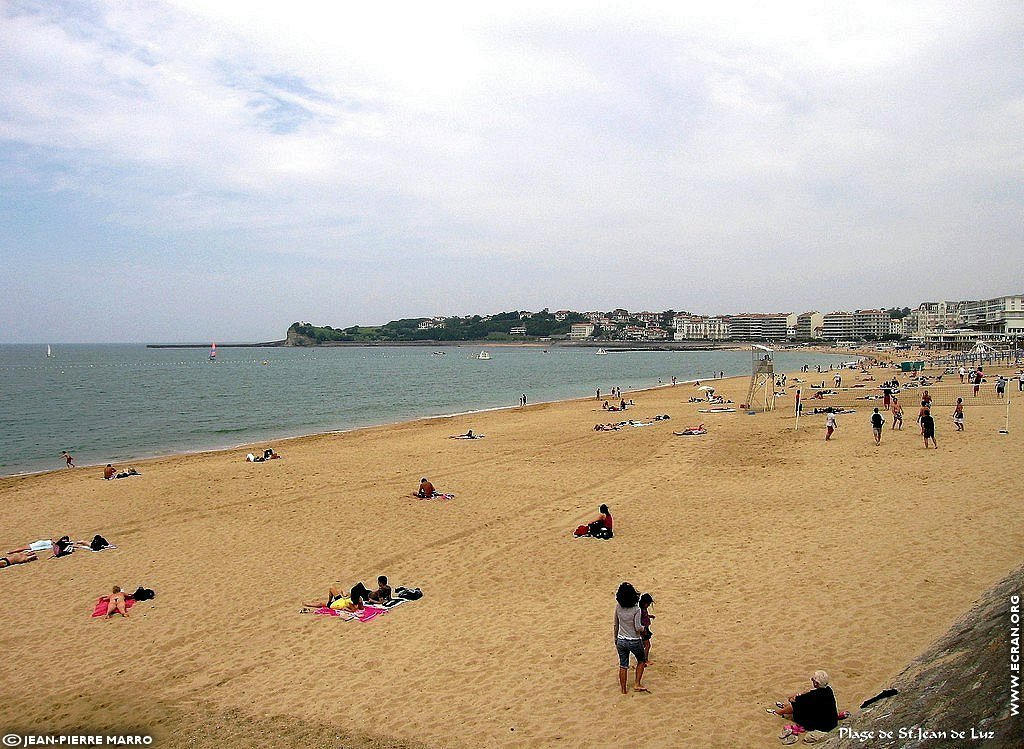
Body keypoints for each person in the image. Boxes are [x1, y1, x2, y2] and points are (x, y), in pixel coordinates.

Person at [768, 670, 839, 732]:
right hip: (831, 722)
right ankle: (784, 706)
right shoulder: (828, 690)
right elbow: (808, 695)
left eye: (812, 679)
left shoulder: (813, 696)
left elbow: (795, 700)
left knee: (796, 705)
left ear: (816, 683)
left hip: (821, 726)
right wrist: (800, 695)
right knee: (802, 702)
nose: (811, 680)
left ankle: (779, 712)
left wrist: (792, 697)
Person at [613, 582, 648, 694]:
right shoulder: (636, 609)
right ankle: (637, 683)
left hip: (621, 640)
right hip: (634, 640)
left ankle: (623, 689)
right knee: (641, 661)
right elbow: (637, 627)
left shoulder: (618, 607)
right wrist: (644, 629)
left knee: (623, 665)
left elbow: (616, 624)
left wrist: (615, 639)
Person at [639, 593, 655, 663]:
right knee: (648, 645)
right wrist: (644, 630)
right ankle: (645, 660)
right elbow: (640, 620)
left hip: (645, 629)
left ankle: (641, 658)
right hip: (643, 630)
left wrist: (650, 616)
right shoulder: (641, 610)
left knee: (643, 645)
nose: (648, 605)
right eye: (648, 604)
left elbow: (645, 616)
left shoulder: (643, 609)